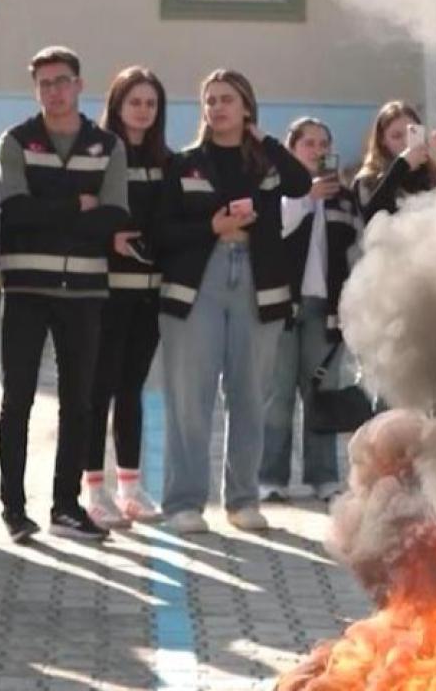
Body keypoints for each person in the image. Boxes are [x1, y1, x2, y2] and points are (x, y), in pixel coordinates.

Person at [157, 70, 311, 534]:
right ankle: (184, 503)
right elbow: (162, 231)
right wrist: (212, 227)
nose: (217, 108)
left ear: (246, 108)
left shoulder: (267, 163)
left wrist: (266, 141)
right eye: (210, 100)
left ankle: (243, 500)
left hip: (258, 285)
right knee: (190, 398)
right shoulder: (183, 163)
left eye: (227, 99)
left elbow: (300, 184)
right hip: (197, 284)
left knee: (250, 396)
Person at [0, 46, 129, 543]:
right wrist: (77, 205)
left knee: (79, 403)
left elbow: (114, 216)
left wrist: (49, 211)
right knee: (18, 400)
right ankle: (13, 509)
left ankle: (66, 508)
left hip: (85, 291)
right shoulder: (16, 141)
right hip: (26, 287)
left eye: (62, 81)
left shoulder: (107, 146)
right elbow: (14, 212)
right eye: (45, 83)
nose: (54, 90)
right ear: (37, 89)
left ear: (79, 85)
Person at [82, 66, 168, 530]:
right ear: (117, 105)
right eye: (134, 102)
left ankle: (130, 489)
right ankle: (93, 491)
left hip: (148, 295)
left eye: (151, 103)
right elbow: (84, 215)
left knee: (131, 389)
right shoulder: (97, 152)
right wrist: (107, 239)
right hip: (106, 292)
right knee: (99, 389)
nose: (143, 111)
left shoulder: (166, 160)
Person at [260, 118, 360, 503]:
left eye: (323, 144)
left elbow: (355, 248)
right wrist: (307, 197)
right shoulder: (278, 189)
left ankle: (323, 477)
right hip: (282, 306)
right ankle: (270, 478)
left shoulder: (343, 197)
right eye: (309, 144)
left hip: (325, 309)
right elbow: (275, 229)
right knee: (278, 396)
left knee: (322, 394)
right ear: (292, 150)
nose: (317, 151)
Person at [352, 101, 436, 223]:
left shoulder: (433, 176)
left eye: (412, 133)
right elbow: (372, 218)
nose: (406, 142)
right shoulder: (367, 180)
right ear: (382, 140)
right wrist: (402, 165)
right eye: (396, 136)